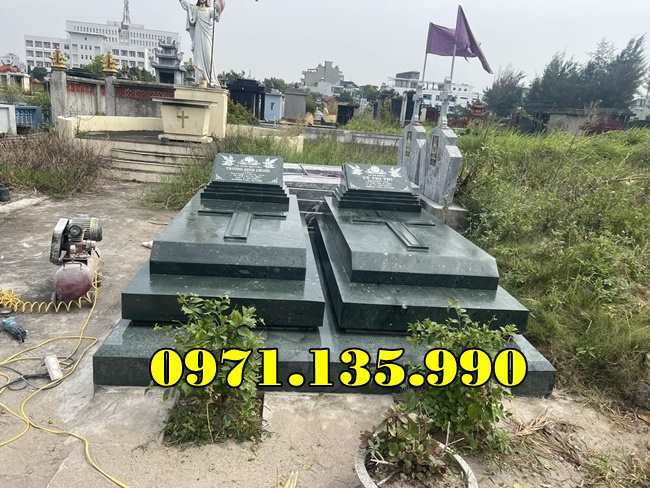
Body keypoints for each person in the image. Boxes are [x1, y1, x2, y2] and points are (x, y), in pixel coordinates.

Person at [178, 0, 225, 87]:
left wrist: (218, 8)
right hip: (198, 36)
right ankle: (199, 79)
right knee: (198, 58)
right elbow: (186, 5)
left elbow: (217, 17)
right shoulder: (195, 9)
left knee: (208, 57)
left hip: (207, 36)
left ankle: (211, 79)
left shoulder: (210, 10)